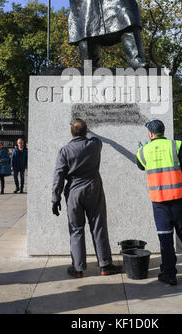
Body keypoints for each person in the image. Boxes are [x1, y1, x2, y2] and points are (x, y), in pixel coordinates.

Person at [136, 120, 182, 285]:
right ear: (163, 131)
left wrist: (140, 150)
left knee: (165, 238)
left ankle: (169, 274)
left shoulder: (144, 151)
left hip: (160, 203)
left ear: (150, 134)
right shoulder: (175, 146)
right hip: (180, 200)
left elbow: (140, 166)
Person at [52, 119, 122, 278]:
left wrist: (55, 198)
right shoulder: (94, 145)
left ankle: (78, 268)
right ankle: (105, 265)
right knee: (98, 226)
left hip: (74, 193)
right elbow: (94, 137)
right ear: (85, 132)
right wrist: (87, 130)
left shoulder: (64, 151)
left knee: (76, 229)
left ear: (71, 133)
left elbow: (59, 175)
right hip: (93, 189)